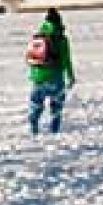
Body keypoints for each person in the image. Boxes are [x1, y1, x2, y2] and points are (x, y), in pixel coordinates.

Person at [26, 8, 75, 136]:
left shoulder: (38, 37)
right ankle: (54, 132)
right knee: (56, 107)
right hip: (55, 77)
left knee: (35, 105)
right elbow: (66, 60)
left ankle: (33, 130)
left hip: (38, 78)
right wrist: (70, 76)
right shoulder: (61, 39)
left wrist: (34, 74)